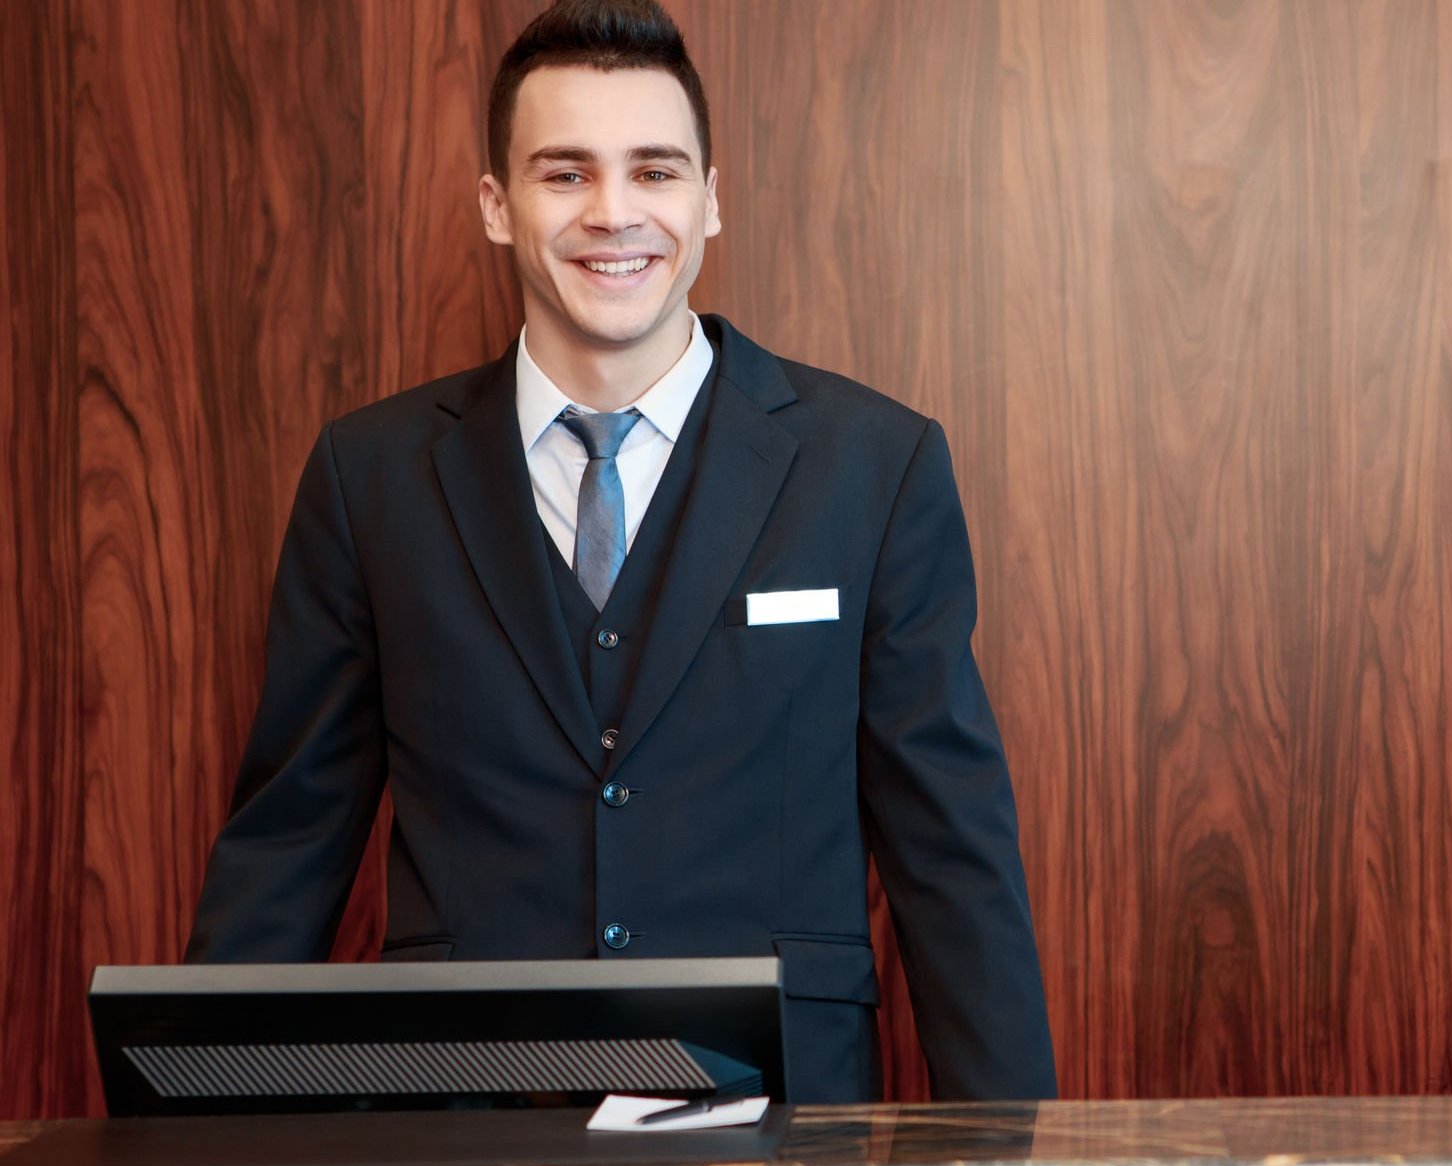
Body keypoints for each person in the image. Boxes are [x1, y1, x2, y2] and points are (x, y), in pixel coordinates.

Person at [185, 0, 1056, 1104]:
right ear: (498, 207)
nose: (614, 213)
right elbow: (289, 843)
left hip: (785, 1135)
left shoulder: (873, 469)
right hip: (468, 1139)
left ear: (710, 198)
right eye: (565, 174)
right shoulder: (371, 481)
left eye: (655, 171)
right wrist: (187, 1160)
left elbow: (953, 861)